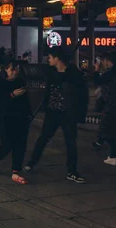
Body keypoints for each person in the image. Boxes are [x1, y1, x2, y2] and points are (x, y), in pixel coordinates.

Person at [24, 47, 88, 184]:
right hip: (52, 112)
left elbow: (83, 97)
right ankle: (32, 161)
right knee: (43, 138)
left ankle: (72, 171)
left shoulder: (75, 75)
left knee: (71, 142)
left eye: (51, 57)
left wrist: (80, 114)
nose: (49, 59)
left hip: (68, 114)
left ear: (57, 59)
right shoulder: (50, 72)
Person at [0, 61, 31, 184]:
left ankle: (16, 171)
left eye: (17, 69)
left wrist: (29, 114)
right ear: (6, 70)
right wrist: (12, 95)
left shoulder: (20, 82)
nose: (15, 71)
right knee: (9, 144)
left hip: (22, 118)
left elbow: (26, 101)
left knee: (21, 144)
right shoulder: (0, 84)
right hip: (6, 118)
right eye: (12, 69)